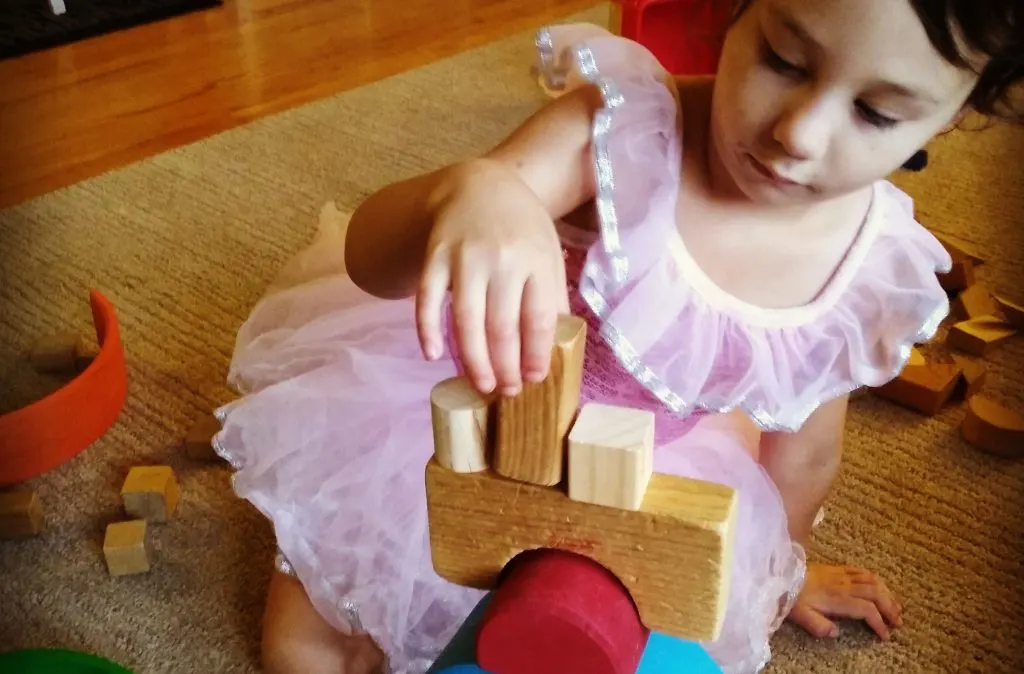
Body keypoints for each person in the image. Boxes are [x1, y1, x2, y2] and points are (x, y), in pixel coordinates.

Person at [212, 0, 1024, 672]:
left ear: (954, 117)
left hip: (645, 474)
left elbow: (805, 451)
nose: (799, 134)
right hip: (453, 418)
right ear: (735, 15)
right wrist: (475, 190)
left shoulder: (871, 262)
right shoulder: (625, 127)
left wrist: (784, 568)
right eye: (782, 58)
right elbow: (370, 260)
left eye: (877, 112)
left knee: (638, 640)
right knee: (304, 653)